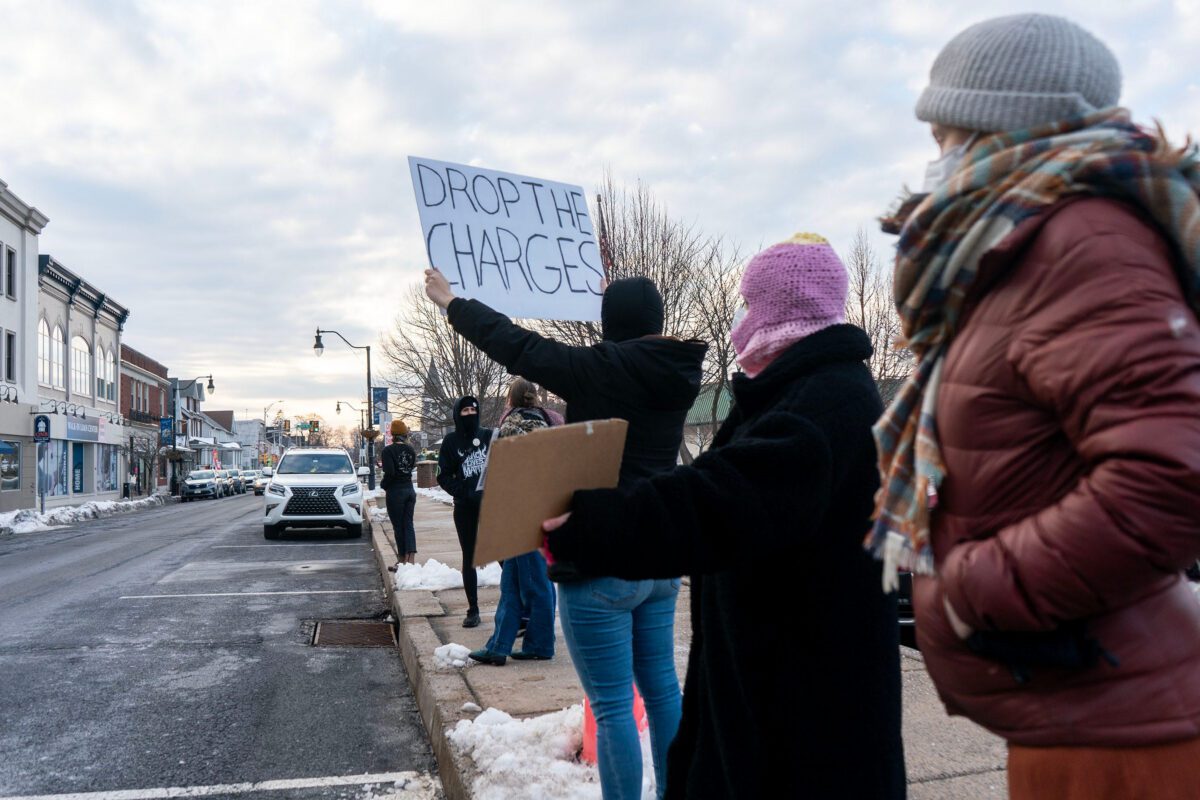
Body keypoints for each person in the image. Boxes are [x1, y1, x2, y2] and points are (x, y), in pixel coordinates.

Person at [868, 14, 1200, 800]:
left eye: (949, 130)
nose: (939, 154)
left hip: (1120, 728)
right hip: (1080, 698)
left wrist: (978, 587)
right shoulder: (1019, 244)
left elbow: (1173, 472)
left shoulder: (1082, 240)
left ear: (1002, 123)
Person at [543, 234, 905, 799]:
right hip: (783, 683)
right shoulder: (800, 390)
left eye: (749, 302)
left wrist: (594, 525)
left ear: (782, 311)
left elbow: (719, 498)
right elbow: (713, 480)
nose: (741, 317)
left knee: (620, 703)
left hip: (804, 715)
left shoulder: (824, 404)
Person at [425, 270, 705, 800]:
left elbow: (519, 345)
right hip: (660, 559)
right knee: (665, 692)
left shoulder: (600, 369)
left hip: (599, 558)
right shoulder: (682, 369)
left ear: (610, 323)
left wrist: (453, 303)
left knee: (613, 706)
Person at [469, 378, 559, 666]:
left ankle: (540, 644)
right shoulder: (551, 421)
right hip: (545, 509)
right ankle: (499, 645)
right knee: (513, 582)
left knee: (534, 582)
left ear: (512, 399)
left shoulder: (513, 425)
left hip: (521, 512)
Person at [437, 396, 493, 628]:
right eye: (465, 410)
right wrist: (462, 491)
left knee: (502, 557)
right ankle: (473, 608)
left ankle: (516, 605)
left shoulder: (489, 436)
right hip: (465, 508)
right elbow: (443, 475)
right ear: (457, 414)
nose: (469, 413)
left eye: (473, 409)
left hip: (490, 505)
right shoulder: (450, 442)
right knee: (469, 557)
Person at [380, 419, 418, 569]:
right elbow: (411, 467)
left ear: (392, 434)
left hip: (396, 492)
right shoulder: (411, 450)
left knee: (398, 526)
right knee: (408, 524)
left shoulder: (388, 451)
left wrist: (384, 485)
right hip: (410, 490)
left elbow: (390, 473)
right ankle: (411, 558)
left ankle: (402, 559)